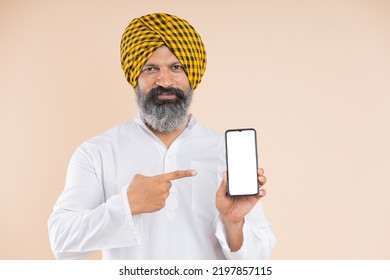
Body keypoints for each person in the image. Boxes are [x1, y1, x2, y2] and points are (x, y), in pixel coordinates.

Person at [48, 12, 276, 260]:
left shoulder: (223, 150)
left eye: (176, 67)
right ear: (135, 77)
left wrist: (233, 223)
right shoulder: (97, 152)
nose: (164, 80)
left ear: (192, 76)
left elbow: (257, 262)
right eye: (151, 68)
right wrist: (127, 205)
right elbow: (61, 242)